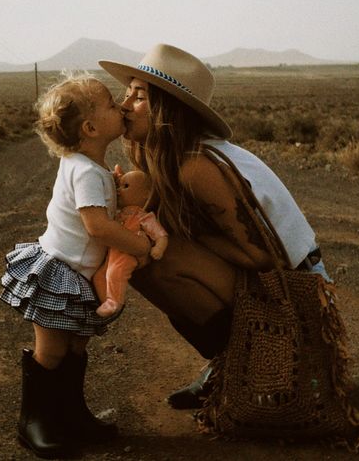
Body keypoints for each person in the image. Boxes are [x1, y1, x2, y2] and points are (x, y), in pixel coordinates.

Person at [99, 44, 330, 410]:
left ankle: (255, 366)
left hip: (298, 293)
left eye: (139, 97)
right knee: (143, 247)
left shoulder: (196, 165)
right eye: (126, 94)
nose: (124, 105)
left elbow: (263, 254)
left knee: (155, 260)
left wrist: (184, 235)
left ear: (166, 110)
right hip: (270, 280)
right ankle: (230, 364)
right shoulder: (165, 155)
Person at [0, 76, 152, 459]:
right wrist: (140, 246)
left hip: (79, 276)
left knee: (76, 345)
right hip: (59, 274)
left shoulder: (88, 166)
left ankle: (70, 414)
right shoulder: (85, 172)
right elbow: (97, 226)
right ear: (90, 128)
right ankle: (33, 421)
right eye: (108, 103)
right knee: (51, 350)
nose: (120, 105)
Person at [93, 170, 169, 317]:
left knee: (115, 272)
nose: (119, 191)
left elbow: (161, 235)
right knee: (99, 276)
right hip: (115, 251)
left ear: (146, 194)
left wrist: (159, 248)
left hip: (129, 253)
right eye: (118, 187)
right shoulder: (118, 213)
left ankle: (114, 302)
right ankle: (106, 302)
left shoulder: (143, 217)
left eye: (126, 186)